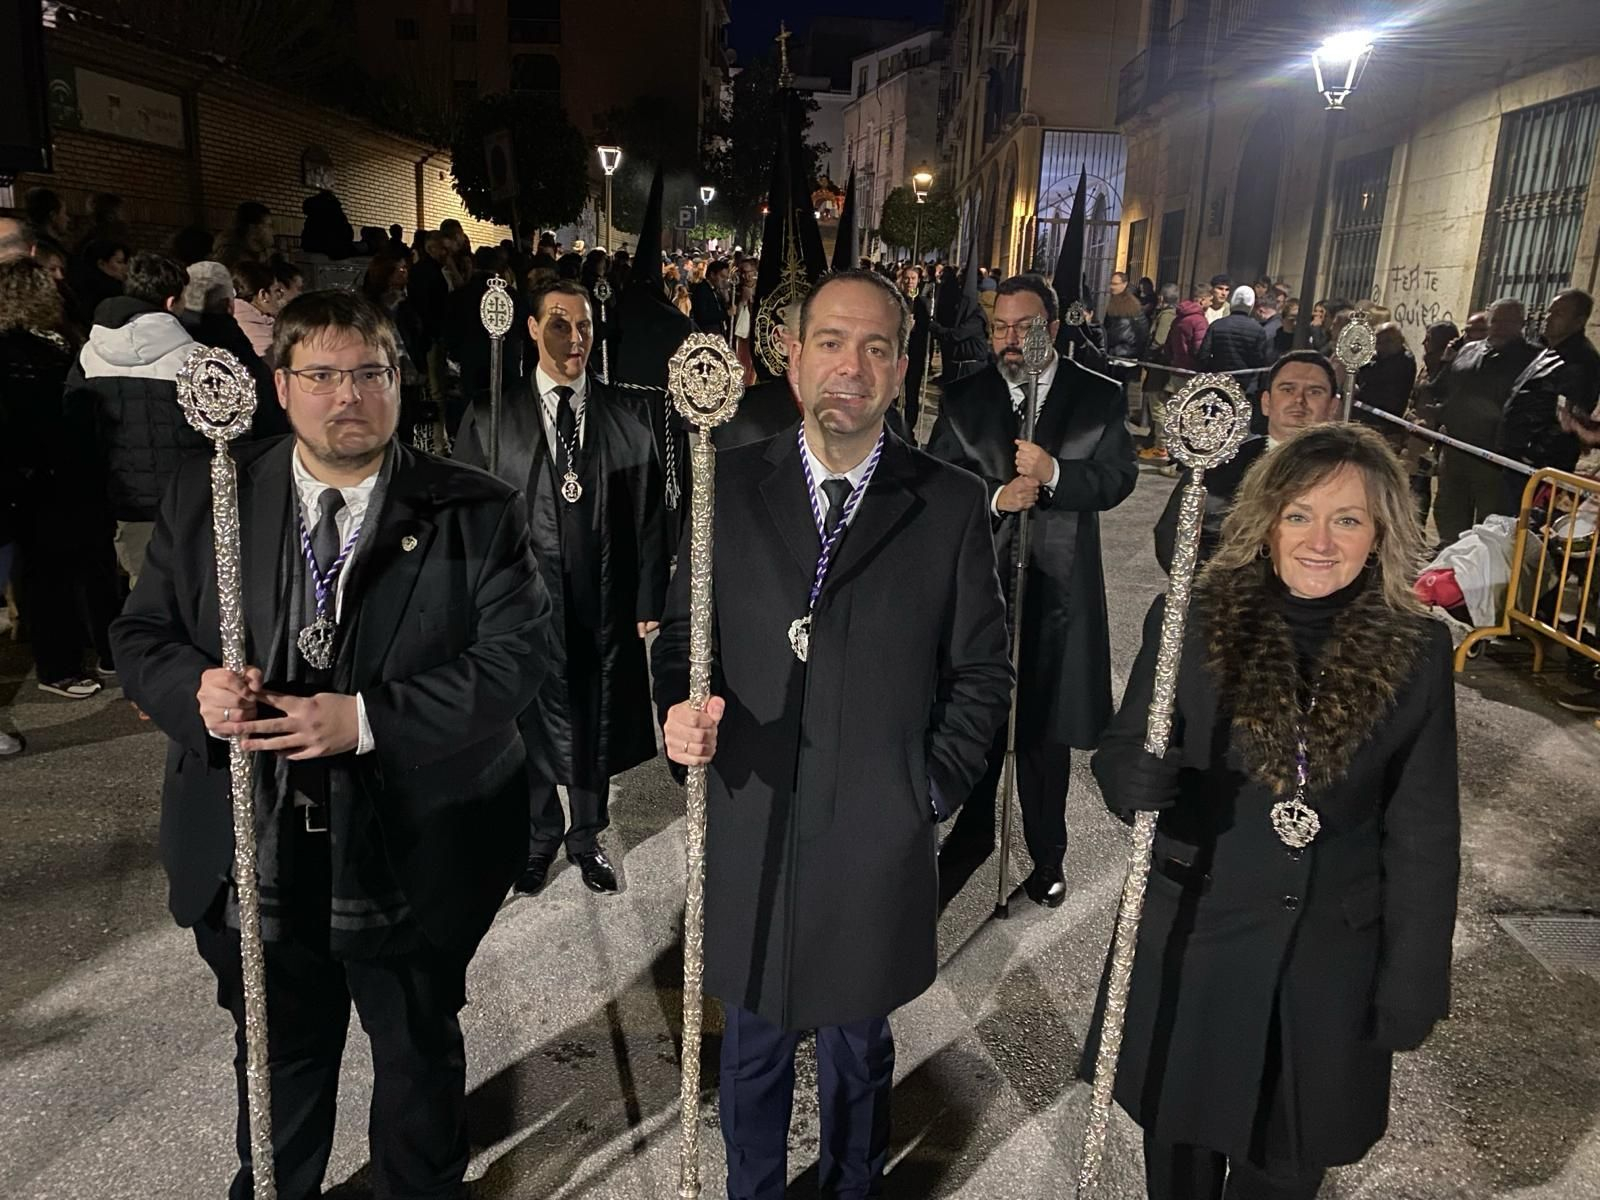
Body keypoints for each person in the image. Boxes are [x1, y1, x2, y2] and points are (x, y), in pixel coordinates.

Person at [110, 289, 552, 1200]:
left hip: (409, 849)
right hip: (252, 846)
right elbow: (142, 635)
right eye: (321, 375)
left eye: (369, 373)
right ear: (281, 386)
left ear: (399, 382)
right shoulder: (211, 491)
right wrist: (192, 690)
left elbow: (516, 663)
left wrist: (368, 719)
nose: (345, 395)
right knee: (276, 1056)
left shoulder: (475, 508)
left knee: (417, 1052)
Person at [651, 269, 1012, 1199]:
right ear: (791, 356)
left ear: (899, 372)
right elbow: (683, 643)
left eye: (876, 348)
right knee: (756, 1044)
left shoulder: (951, 502)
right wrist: (675, 713)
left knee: (859, 1047)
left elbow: (981, 673)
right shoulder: (725, 484)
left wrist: (924, 790)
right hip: (754, 817)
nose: (850, 367)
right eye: (830, 343)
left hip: (874, 835)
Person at [1093, 422, 1460, 1200]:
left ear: (1382, 531)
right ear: (1266, 523)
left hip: (1328, 966)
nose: (1320, 540)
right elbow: (1124, 745)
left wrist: (1413, 979)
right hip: (1199, 938)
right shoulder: (1191, 621)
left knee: (1286, 1172)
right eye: (1300, 515)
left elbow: (1424, 831)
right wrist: (1132, 778)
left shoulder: (1418, 651)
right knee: (1180, 1162)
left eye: (1348, 519)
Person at [454, 279, 668, 898]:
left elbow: (653, 515)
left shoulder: (626, 418)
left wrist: (649, 597)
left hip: (602, 599)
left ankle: (587, 835)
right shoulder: (494, 417)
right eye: (558, 324)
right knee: (527, 717)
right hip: (521, 601)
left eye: (584, 327)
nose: (574, 340)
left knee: (593, 713)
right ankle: (537, 836)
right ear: (530, 328)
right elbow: (465, 516)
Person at [929, 274, 1137, 908]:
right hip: (982, 588)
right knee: (973, 724)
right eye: (1000, 327)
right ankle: (963, 843)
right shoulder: (965, 396)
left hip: (1060, 596)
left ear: (1052, 326)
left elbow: (1117, 477)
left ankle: (1048, 857)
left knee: (1043, 737)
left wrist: (1055, 475)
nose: (1011, 340)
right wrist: (995, 497)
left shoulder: (1097, 394)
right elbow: (938, 480)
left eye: (1025, 327)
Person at [0, 257, 122, 702]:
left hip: (75, 470)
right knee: (47, 575)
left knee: (92, 564)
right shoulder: (13, 351)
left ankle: (107, 648)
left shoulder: (63, 340)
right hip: (39, 477)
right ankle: (58, 664)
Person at [65, 252, 205, 589]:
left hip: (121, 502)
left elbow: (75, 425)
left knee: (143, 591)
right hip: (185, 503)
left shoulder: (89, 354)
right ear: (172, 301)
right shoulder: (193, 357)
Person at [1154, 350, 1344, 572]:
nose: (1299, 400)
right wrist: (1215, 592)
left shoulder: (1352, 474)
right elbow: (1172, 535)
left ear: (1332, 407)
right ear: (1266, 402)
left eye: (1314, 391)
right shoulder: (1220, 465)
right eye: (1287, 389)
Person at [1419, 298, 1537, 545]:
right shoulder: (1469, 350)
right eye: (1496, 320)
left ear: (1522, 324)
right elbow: (1445, 386)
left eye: (1509, 321)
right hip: (1456, 448)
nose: (1501, 326)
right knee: (1449, 510)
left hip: (1495, 457)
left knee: (1491, 521)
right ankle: (1449, 562)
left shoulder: (1532, 359)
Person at [1499, 288, 1600, 489]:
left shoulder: (1581, 362)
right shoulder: (1548, 351)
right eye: (1549, 311)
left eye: (1559, 313)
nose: (1548, 317)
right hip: (1515, 460)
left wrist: (1531, 455)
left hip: (1537, 470)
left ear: (1579, 321)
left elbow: (1567, 419)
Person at [1351, 322, 1415, 452]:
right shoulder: (1377, 358)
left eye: (1385, 341)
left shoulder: (1403, 361)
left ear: (1397, 341)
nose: (1379, 346)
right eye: (1377, 341)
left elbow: (1374, 380)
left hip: (1384, 423)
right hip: (1364, 418)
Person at [1200, 286, 1271, 394]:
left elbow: (1203, 355)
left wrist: (1211, 373)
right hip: (1243, 386)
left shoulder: (1217, 325)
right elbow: (1259, 362)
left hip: (1217, 383)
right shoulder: (1258, 330)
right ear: (1251, 305)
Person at [1139, 283, 1179, 463]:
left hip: (1159, 369)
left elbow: (1159, 340)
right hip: (1164, 368)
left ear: (1161, 298)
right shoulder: (1172, 314)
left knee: (1158, 407)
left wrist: (1148, 354)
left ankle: (1161, 447)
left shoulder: (1167, 316)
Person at [229, 260, 278, 361]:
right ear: (263, 295)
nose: (280, 297)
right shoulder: (258, 333)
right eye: (277, 291)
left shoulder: (229, 318)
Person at [213, 201, 273, 268]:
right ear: (254, 228)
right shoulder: (233, 258)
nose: (272, 231)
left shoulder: (263, 255)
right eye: (269, 225)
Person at [691, 258, 731, 336]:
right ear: (712, 275)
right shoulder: (702, 290)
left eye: (726, 278)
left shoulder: (717, 290)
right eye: (722, 276)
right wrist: (725, 313)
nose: (724, 281)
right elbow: (702, 316)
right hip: (707, 334)